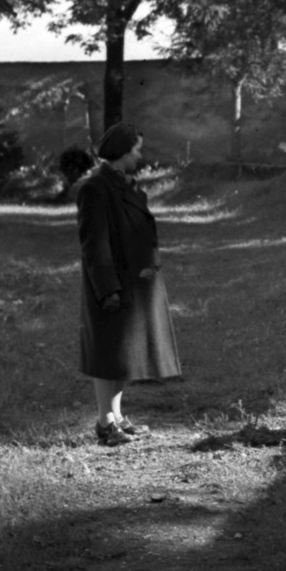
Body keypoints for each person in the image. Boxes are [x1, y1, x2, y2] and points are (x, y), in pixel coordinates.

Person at [76, 122, 182, 446]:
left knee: (123, 355)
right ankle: (105, 423)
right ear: (121, 151)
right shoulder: (95, 187)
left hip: (136, 283)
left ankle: (118, 418)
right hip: (112, 285)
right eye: (136, 149)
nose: (140, 154)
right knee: (108, 355)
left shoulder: (126, 185)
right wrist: (107, 289)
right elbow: (94, 244)